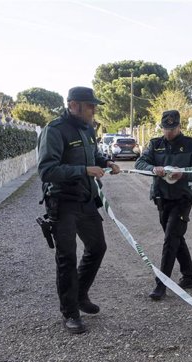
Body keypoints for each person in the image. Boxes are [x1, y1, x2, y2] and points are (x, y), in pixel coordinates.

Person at [37, 86, 120, 334]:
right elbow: (47, 170)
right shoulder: (55, 130)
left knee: (97, 247)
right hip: (62, 203)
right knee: (67, 258)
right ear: (73, 105)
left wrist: (106, 163)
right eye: (90, 106)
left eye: (94, 106)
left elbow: (93, 155)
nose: (93, 110)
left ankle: (80, 294)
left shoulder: (87, 129)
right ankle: (70, 313)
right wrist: (83, 171)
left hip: (85, 199)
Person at [135, 110, 192, 300]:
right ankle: (189, 275)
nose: (168, 133)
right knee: (175, 237)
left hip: (183, 198)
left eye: (172, 129)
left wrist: (183, 173)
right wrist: (152, 169)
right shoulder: (155, 144)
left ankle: (161, 284)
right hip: (162, 197)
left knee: (170, 239)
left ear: (179, 127)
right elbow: (140, 163)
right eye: (166, 129)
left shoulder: (191, 144)